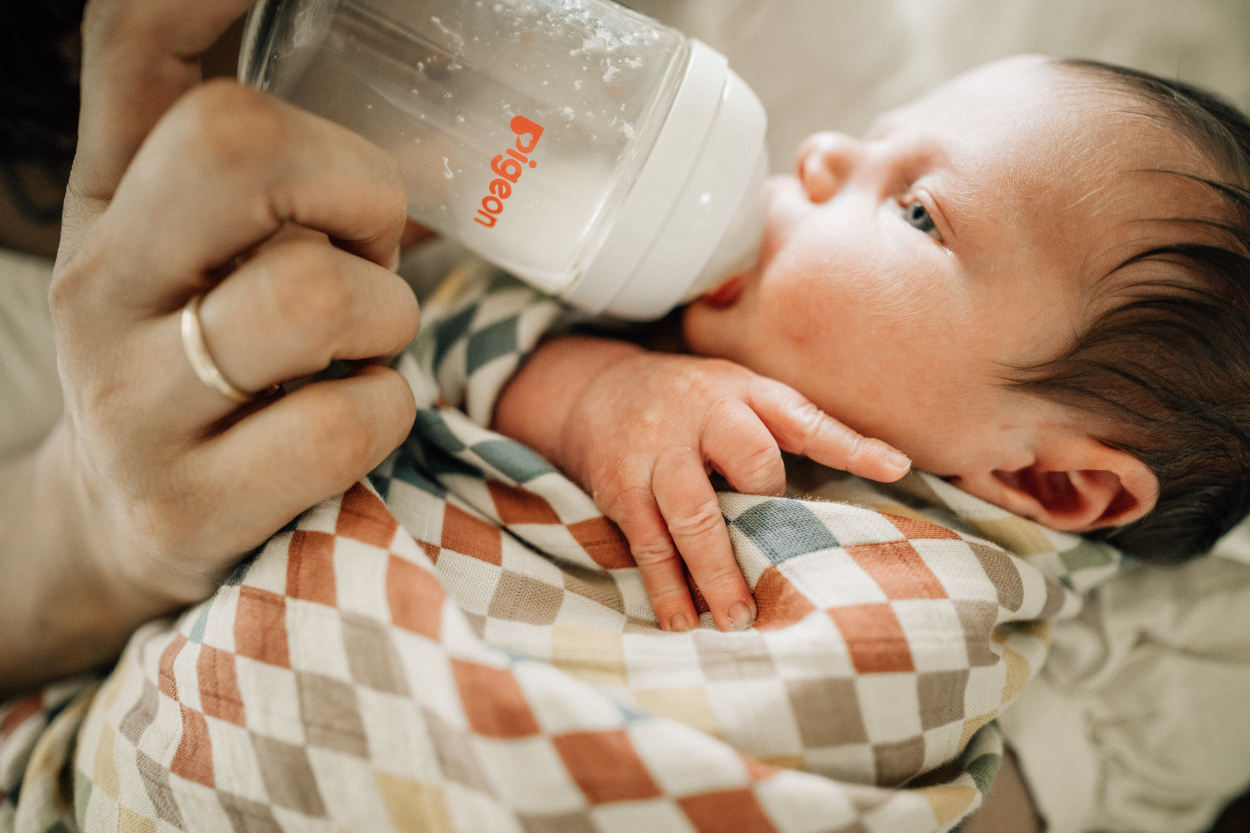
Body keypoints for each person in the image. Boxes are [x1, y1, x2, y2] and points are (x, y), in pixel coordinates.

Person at [487, 53, 1250, 637]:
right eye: (878, 139)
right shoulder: (657, 326)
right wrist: (595, 390)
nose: (819, 151)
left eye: (918, 212)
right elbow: (445, 332)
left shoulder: (932, 609)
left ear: (1053, 483)